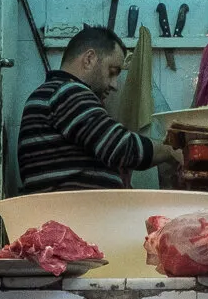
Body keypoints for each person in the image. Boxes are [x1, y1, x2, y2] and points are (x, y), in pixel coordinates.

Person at [15, 24, 156, 191]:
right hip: (69, 214)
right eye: (112, 72)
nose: (114, 85)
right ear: (89, 59)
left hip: (66, 212)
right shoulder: (66, 91)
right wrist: (172, 150)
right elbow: (121, 148)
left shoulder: (53, 94)